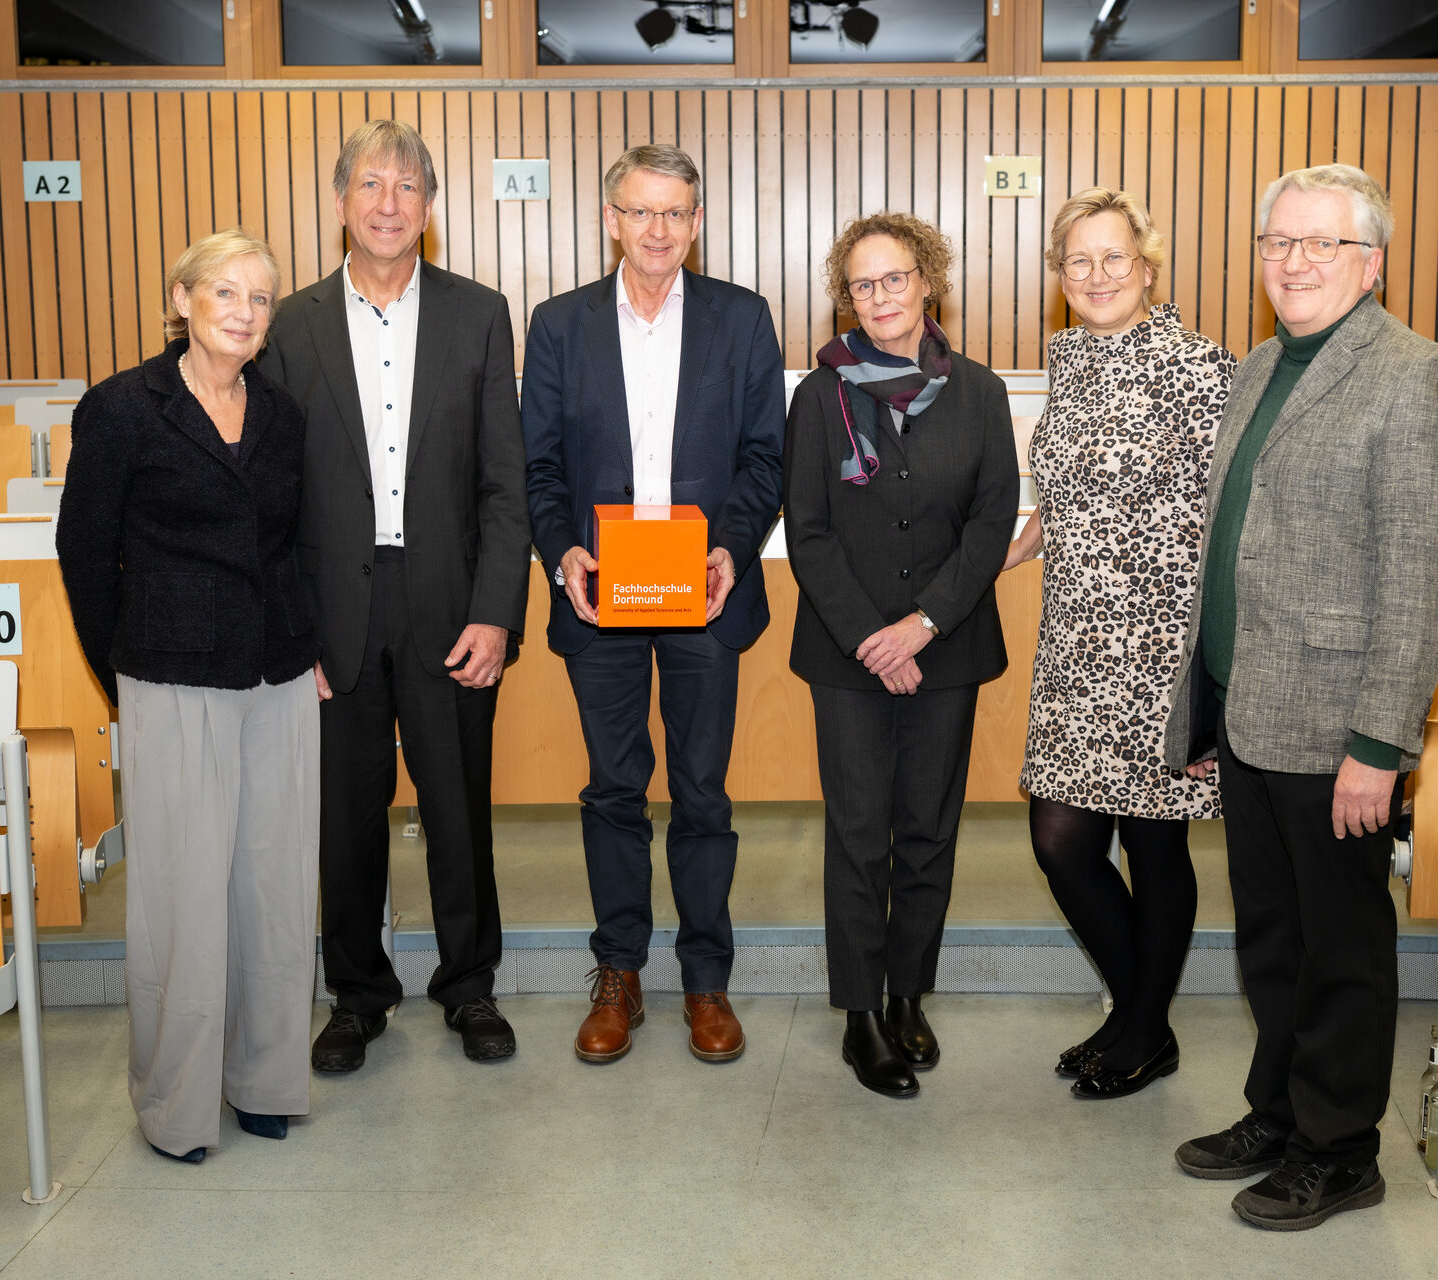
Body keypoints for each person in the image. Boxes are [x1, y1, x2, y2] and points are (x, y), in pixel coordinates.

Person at [1162, 164, 1438, 1230]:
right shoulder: (1260, 365)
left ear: (1369, 262)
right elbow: (1237, 543)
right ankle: (1280, 1112)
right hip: (1251, 706)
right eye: (1276, 242)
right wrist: (1211, 702)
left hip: (1339, 723)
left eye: (1319, 244)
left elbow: (1422, 579)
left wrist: (1379, 745)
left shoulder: (1413, 375)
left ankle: (1339, 1151)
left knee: (1341, 949)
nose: (1292, 262)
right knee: (1273, 941)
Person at [260, 119, 531, 1074]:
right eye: (371, 185)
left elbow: (506, 484)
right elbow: (270, 498)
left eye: (408, 187)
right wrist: (291, 633)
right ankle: (356, 996)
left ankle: (470, 986)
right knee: (344, 817)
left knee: (459, 808)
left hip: (450, 603)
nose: (388, 204)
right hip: (332, 611)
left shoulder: (479, 314)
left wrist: (495, 612)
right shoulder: (289, 324)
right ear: (340, 202)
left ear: (429, 207)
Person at [56, 228, 320, 1162]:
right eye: (225, 292)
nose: (244, 313)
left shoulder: (281, 413)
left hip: (277, 675)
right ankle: (176, 1103)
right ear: (182, 299)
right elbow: (84, 556)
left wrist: (311, 647)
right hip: (170, 675)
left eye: (260, 298)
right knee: (182, 897)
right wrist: (124, 668)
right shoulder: (122, 408)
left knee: (274, 885)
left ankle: (264, 1078)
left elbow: (296, 546)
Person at [522, 144, 784, 1065]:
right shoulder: (559, 325)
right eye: (640, 211)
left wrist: (729, 549)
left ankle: (706, 980)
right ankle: (620, 973)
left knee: (702, 791)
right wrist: (563, 552)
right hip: (601, 593)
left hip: (703, 591)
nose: (658, 229)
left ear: (697, 221)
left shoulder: (741, 319)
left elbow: (765, 457)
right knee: (614, 788)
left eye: (676, 212)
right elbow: (538, 465)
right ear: (611, 219)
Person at [1003, 188, 1233, 1100]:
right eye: (1078, 261)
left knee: (1153, 845)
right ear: (1059, 276)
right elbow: (1069, 500)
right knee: (1060, 840)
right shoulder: (1068, 361)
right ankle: (1140, 1015)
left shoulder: (1200, 369)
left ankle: (1140, 1027)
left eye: (1113, 257)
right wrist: (998, 552)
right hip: (1076, 643)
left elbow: (1229, 523)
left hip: (1162, 651)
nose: (1096, 275)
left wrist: (1217, 671)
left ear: (1148, 265)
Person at [785, 212, 1019, 1098]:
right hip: (847, 654)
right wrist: (872, 639)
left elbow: (991, 521)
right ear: (845, 297)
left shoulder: (980, 392)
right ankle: (860, 1015)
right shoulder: (819, 397)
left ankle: (908, 994)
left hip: (947, 648)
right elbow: (808, 532)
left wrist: (923, 625)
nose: (880, 296)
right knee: (857, 835)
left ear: (928, 282)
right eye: (862, 284)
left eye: (895, 278)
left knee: (927, 831)